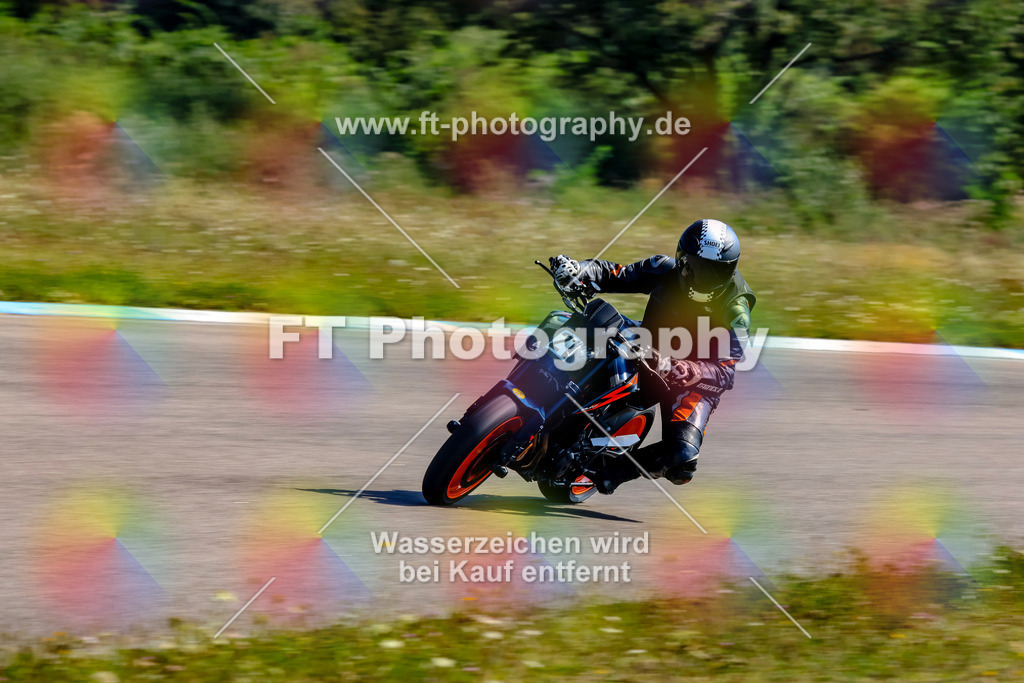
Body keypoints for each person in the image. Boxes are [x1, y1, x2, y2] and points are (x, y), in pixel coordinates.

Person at [550, 218, 756, 493]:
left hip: (691, 378)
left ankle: (611, 472)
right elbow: (613, 273)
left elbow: (725, 372)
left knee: (682, 460)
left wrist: (690, 370)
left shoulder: (736, 312)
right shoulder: (663, 269)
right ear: (681, 260)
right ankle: (546, 388)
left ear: (730, 270)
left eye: (714, 272)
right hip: (647, 341)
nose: (703, 279)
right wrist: (578, 270)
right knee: (589, 320)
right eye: (696, 268)